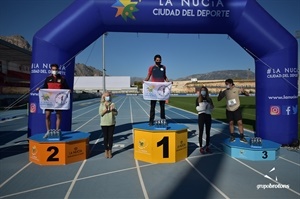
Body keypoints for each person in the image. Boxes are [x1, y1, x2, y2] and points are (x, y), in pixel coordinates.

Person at [41, 64, 70, 138]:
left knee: (58, 115)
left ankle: (57, 130)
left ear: (58, 70)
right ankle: (48, 131)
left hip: (58, 100)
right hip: (49, 101)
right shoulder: (48, 79)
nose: (54, 71)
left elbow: (67, 88)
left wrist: (69, 90)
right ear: (51, 70)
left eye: (55, 69)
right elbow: (44, 88)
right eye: (53, 69)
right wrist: (40, 90)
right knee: (47, 115)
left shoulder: (62, 79)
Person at [217, 78, 249, 143]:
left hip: (236, 109)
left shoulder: (237, 89)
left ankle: (242, 136)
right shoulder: (225, 91)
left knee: (240, 123)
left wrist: (244, 91)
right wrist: (220, 94)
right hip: (229, 109)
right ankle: (232, 136)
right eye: (225, 84)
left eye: (227, 84)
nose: (226, 85)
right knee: (231, 123)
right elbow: (219, 99)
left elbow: (247, 94)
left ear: (231, 83)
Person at [144, 54, 169, 126]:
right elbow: (148, 76)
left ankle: (163, 119)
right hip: (154, 90)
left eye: (159, 60)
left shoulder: (164, 67)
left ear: (161, 60)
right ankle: (151, 120)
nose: (158, 61)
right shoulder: (151, 68)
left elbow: (165, 77)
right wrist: (144, 81)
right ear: (154, 60)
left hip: (161, 89)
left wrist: (169, 82)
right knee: (153, 106)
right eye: (157, 60)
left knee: (162, 106)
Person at [99, 91, 118, 158]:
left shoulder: (112, 104)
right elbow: (100, 113)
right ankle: (106, 150)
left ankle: (110, 150)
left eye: (108, 96)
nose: (108, 97)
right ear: (103, 97)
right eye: (106, 96)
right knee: (105, 138)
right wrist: (106, 109)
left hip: (111, 123)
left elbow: (116, 114)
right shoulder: (102, 104)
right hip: (104, 123)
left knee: (110, 137)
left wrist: (113, 110)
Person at [196, 86, 214, 154]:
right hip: (201, 116)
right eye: (202, 90)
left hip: (208, 116)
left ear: (206, 91)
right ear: (200, 91)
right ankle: (200, 147)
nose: (203, 91)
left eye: (204, 90)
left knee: (208, 132)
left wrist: (211, 107)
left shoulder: (209, 99)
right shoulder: (198, 99)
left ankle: (207, 147)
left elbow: (212, 109)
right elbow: (197, 109)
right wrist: (204, 107)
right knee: (201, 131)